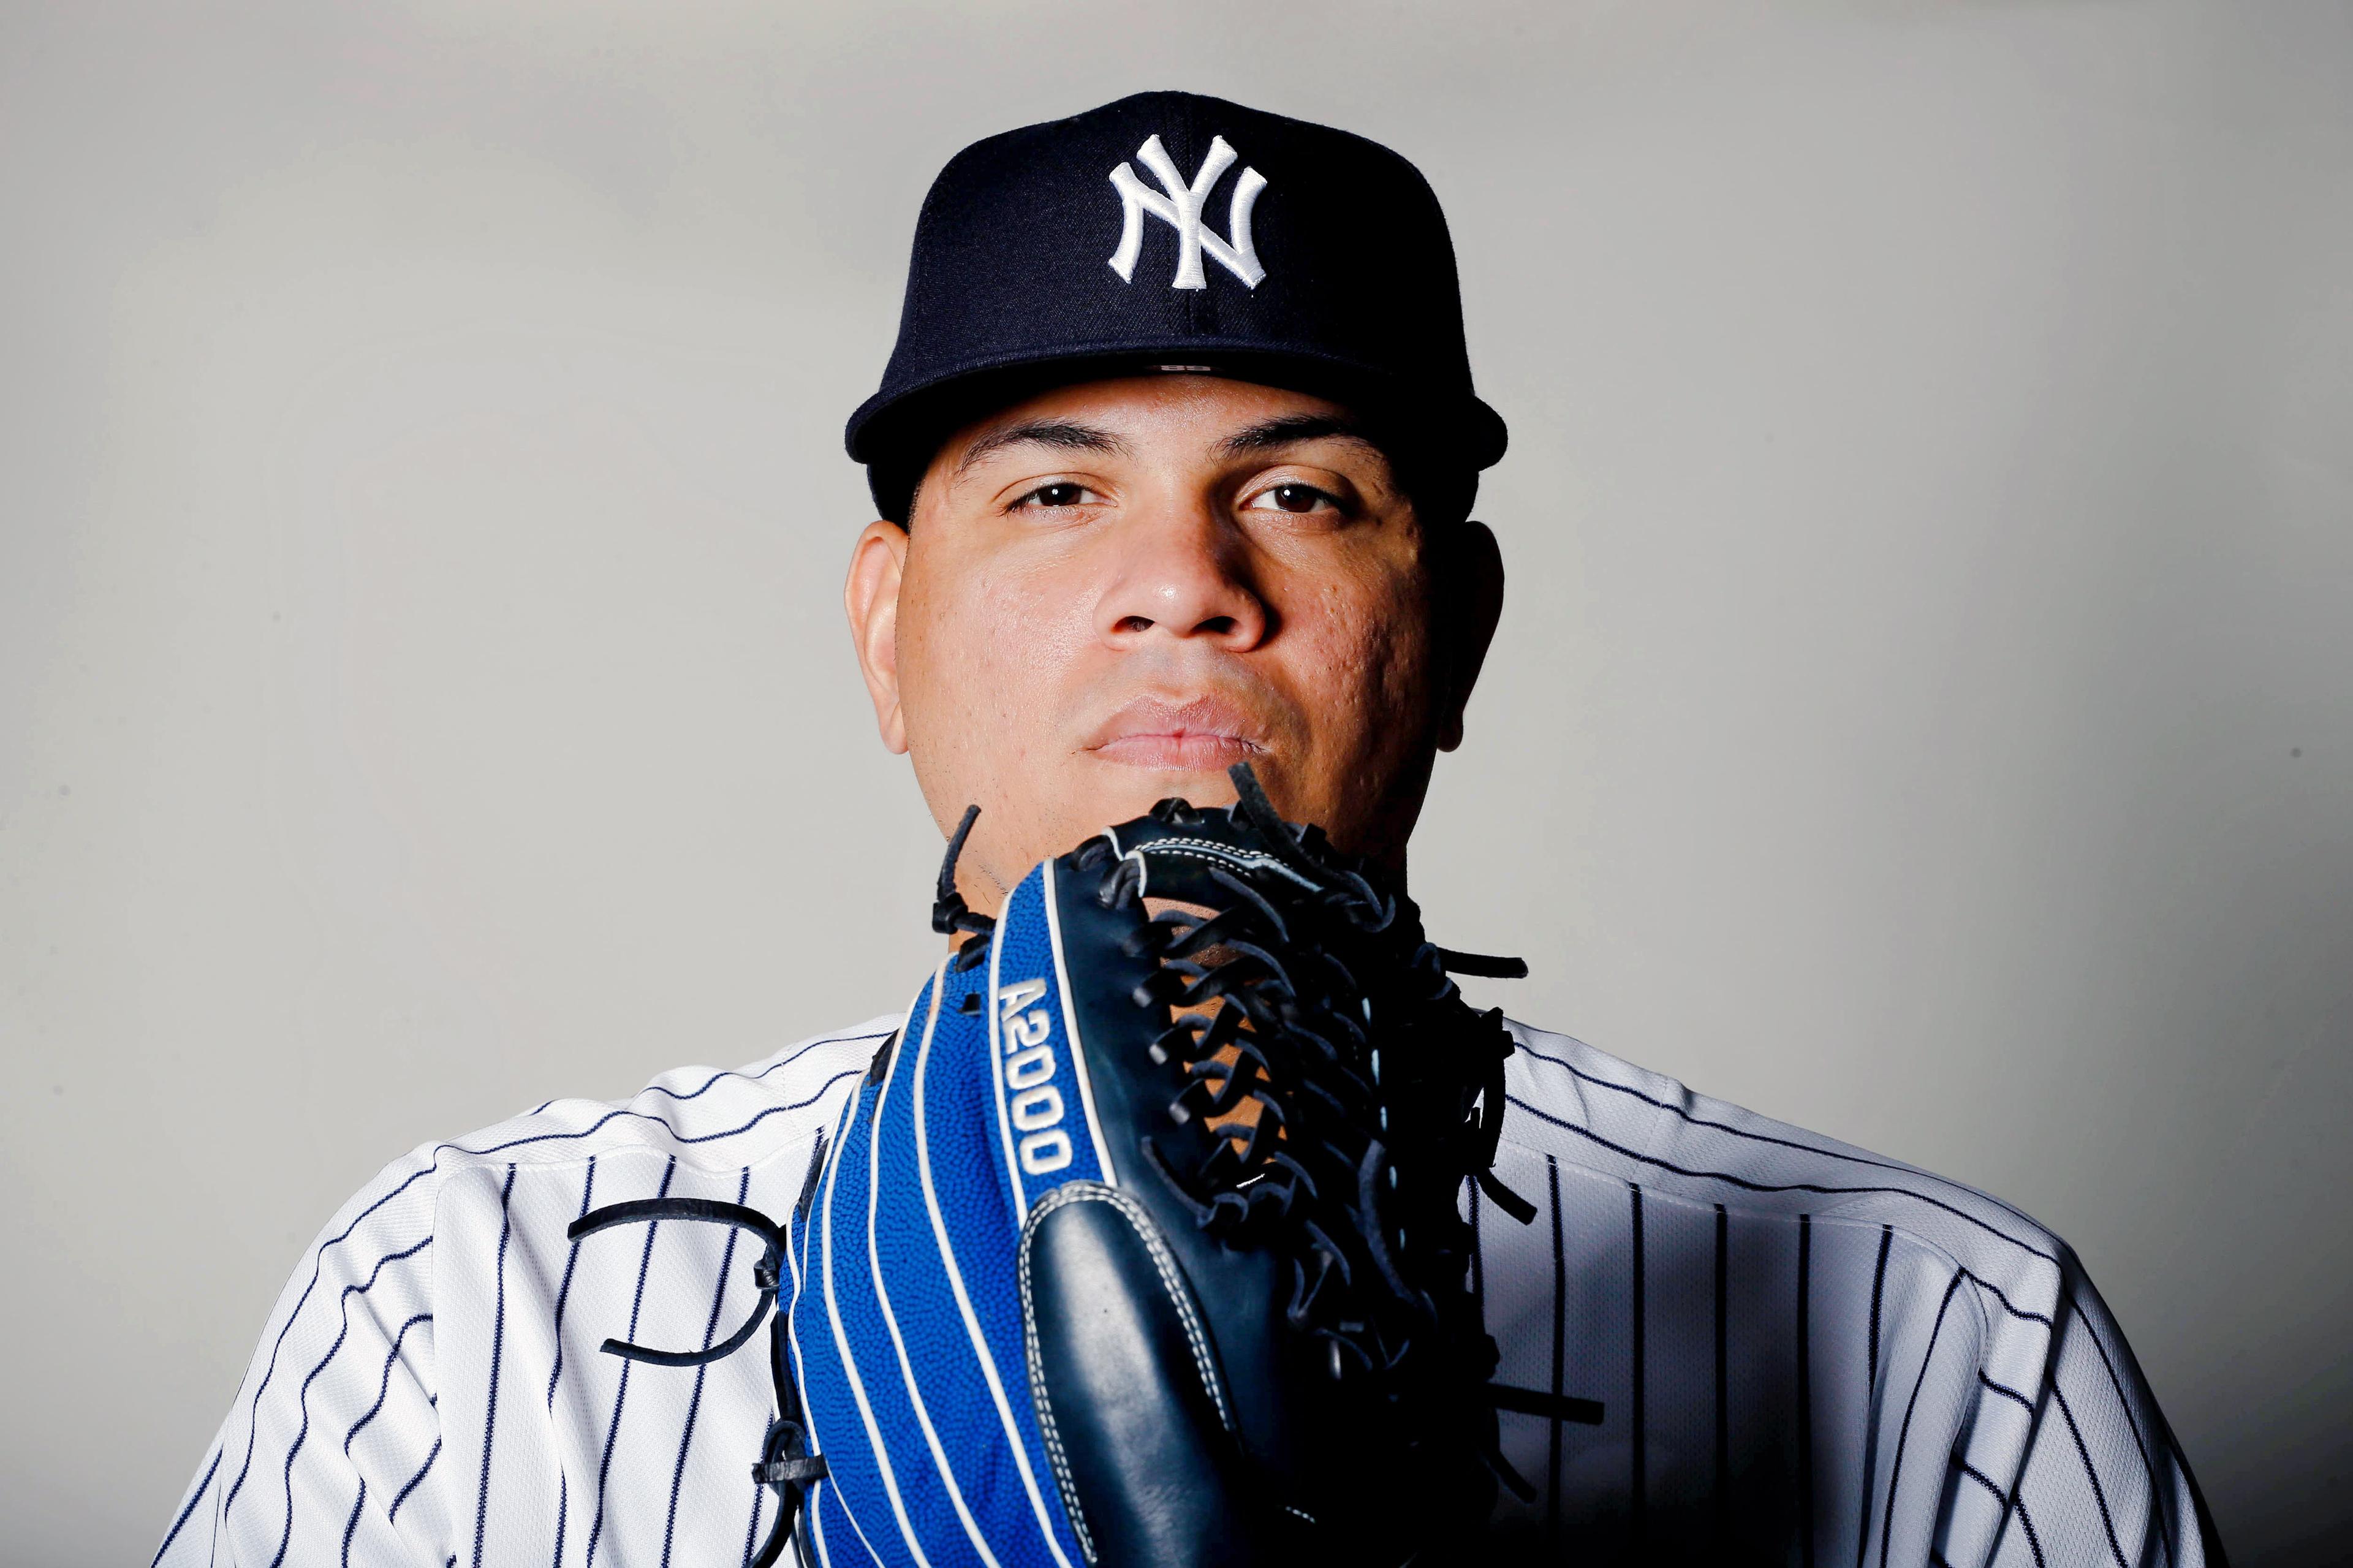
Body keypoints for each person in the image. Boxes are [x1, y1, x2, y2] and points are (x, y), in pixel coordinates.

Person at [154, 91, 2221, 1567]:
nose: (1187, 582)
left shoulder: (1947, 1340)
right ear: (889, 633)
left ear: (1461, 632)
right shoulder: (464, 1301)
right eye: (1055, 493)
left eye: (1303, 492)